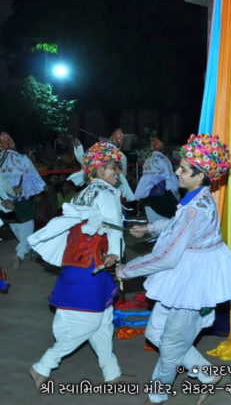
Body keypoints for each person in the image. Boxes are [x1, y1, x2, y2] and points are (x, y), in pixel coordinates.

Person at [116, 134, 231, 405]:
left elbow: (167, 257)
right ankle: (207, 375)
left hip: (191, 282)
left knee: (169, 348)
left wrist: (126, 270)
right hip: (182, 277)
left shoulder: (196, 208)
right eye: (179, 167)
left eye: (183, 169)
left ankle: (156, 397)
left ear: (200, 176)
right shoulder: (195, 198)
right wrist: (151, 227)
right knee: (156, 334)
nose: (177, 172)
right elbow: (179, 224)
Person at [27, 141, 132, 388]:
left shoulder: (84, 192)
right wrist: (115, 255)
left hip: (81, 265)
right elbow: (115, 229)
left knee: (104, 321)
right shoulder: (105, 193)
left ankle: (111, 373)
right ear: (96, 170)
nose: (117, 171)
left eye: (117, 166)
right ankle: (42, 366)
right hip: (92, 268)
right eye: (111, 167)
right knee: (88, 323)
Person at [0, 131, 46, 269]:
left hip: (3, 202)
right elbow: (34, 179)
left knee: (18, 229)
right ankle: (20, 255)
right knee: (27, 228)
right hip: (20, 199)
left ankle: (32, 251)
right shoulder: (22, 158)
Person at [134, 137, 180, 225]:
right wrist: (177, 198)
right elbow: (171, 182)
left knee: (154, 230)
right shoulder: (164, 160)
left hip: (148, 201)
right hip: (162, 200)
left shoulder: (147, 161)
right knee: (168, 227)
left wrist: (139, 197)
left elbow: (144, 181)